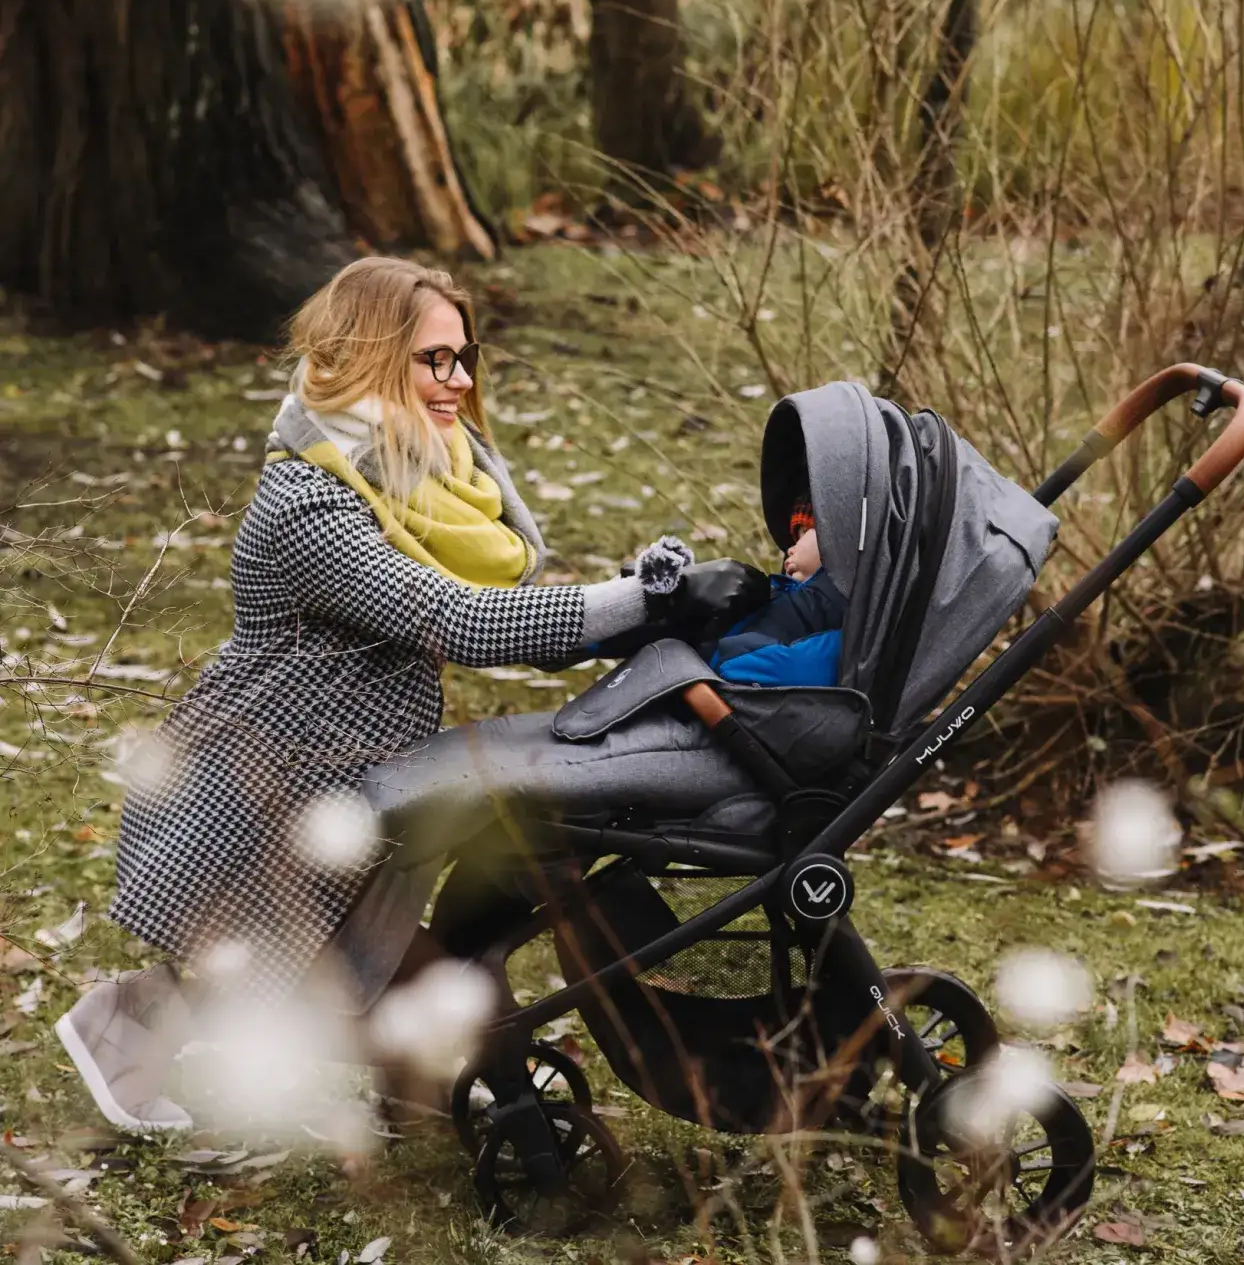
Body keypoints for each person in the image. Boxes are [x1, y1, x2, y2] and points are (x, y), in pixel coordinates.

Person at [55, 256, 766, 1133]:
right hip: (273, 776)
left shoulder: (411, 477)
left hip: (349, 772)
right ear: (371, 353)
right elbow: (456, 621)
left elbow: (501, 612)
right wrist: (645, 600)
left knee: (343, 975)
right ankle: (127, 1024)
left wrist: (640, 610)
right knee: (372, 986)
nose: (461, 380)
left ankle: (391, 1090)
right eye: (437, 358)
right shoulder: (311, 501)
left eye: (465, 356)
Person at [705, 475, 845, 685]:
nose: (790, 549)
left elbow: (809, 665)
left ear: (836, 537)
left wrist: (726, 660)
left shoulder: (840, 604)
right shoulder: (789, 593)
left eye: (804, 533)